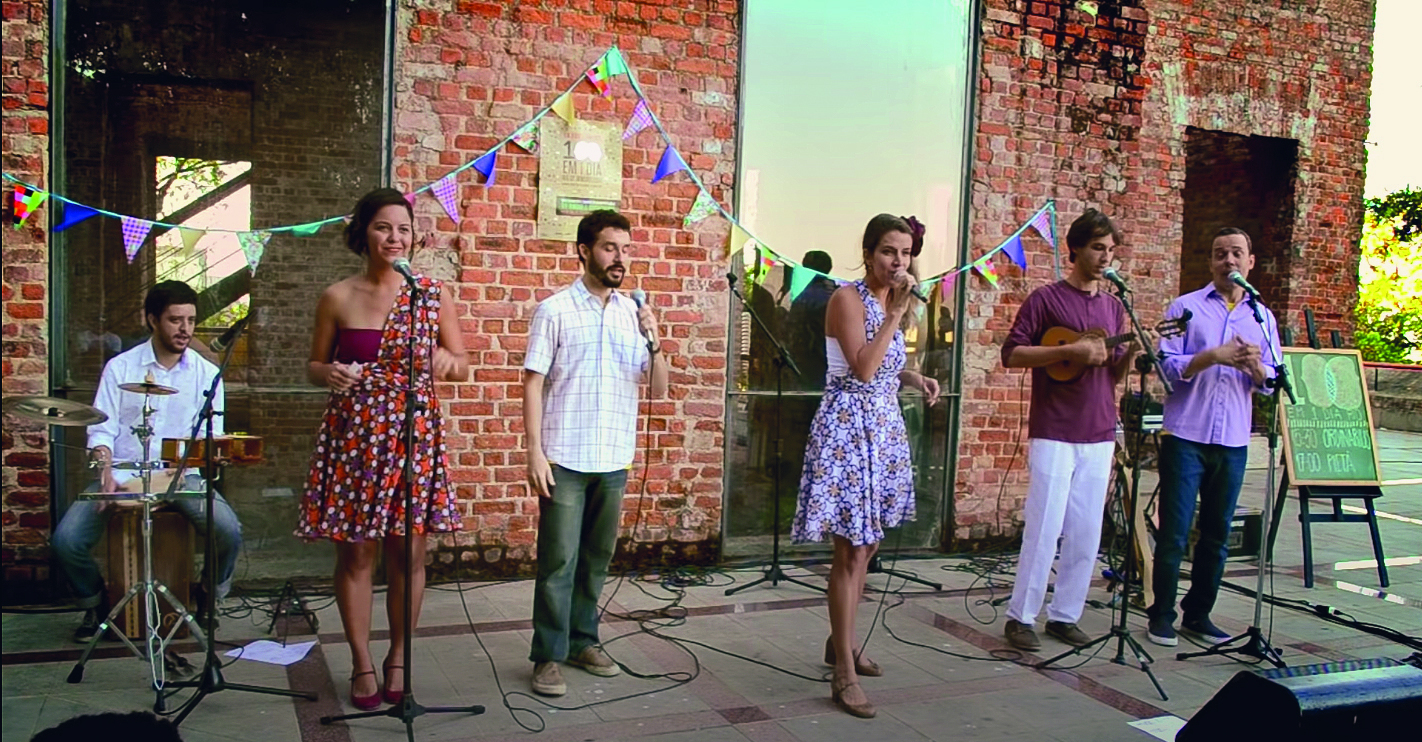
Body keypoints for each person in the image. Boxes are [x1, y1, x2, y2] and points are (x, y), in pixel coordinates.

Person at [297, 187, 468, 710]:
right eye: (383, 227)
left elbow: (462, 362)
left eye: (403, 228)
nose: (395, 237)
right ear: (363, 233)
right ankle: (361, 662)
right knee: (356, 552)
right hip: (355, 440)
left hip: (413, 438)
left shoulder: (431, 294)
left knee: (410, 551)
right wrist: (330, 373)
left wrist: (446, 361)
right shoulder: (338, 296)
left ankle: (398, 655)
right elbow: (313, 365)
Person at [791, 214, 940, 718]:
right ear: (868, 253)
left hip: (883, 426)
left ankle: (842, 642)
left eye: (905, 253)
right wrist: (898, 313)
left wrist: (914, 378)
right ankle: (843, 673)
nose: (898, 262)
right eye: (888, 252)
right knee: (851, 550)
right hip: (848, 429)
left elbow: (886, 365)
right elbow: (861, 366)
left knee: (869, 544)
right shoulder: (847, 298)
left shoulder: (885, 301)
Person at [524, 209, 670, 697]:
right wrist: (534, 454)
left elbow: (659, 387)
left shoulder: (634, 311)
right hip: (565, 455)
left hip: (614, 457)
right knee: (558, 561)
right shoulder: (555, 309)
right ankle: (547, 654)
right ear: (584, 251)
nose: (620, 259)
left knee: (597, 559)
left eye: (626, 249)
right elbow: (533, 382)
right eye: (610, 248)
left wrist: (655, 340)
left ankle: (583, 640)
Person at [52, 280, 243, 644]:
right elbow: (101, 430)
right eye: (175, 320)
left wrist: (198, 462)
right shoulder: (120, 368)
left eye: (190, 320)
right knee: (66, 541)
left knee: (228, 530)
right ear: (152, 320)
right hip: (123, 474)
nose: (185, 329)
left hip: (180, 476)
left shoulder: (207, 374)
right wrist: (105, 469)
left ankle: (208, 597)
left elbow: (211, 435)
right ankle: (96, 603)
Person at [999, 209, 1140, 652]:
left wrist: (1129, 353)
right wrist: (1073, 350)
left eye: (1111, 249)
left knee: (1086, 530)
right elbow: (1012, 353)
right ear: (1075, 248)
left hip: (1098, 429)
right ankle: (1020, 616)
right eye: (1098, 247)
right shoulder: (1046, 299)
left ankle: (1065, 614)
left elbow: (1111, 377)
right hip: (1055, 428)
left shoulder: (1115, 307)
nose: (1105, 257)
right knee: (1044, 525)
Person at [1146, 227, 1278, 647]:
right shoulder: (1185, 308)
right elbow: (1164, 368)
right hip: (1187, 434)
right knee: (1176, 530)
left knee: (1218, 534)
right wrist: (1213, 357)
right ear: (1211, 262)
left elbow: (1273, 379)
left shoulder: (1261, 316)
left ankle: (1197, 614)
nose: (1229, 261)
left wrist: (1257, 372)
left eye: (1237, 253)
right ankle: (1161, 614)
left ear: (1250, 261)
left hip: (1234, 439)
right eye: (1220, 254)